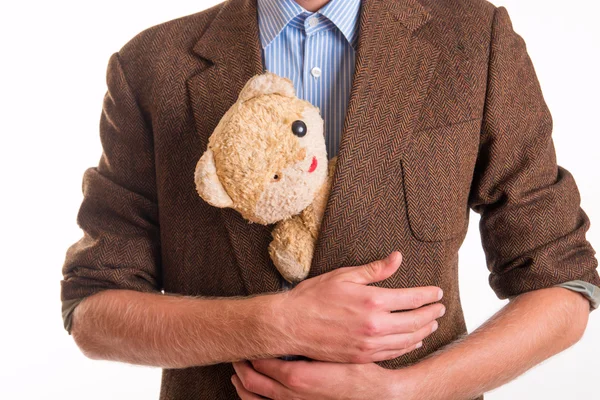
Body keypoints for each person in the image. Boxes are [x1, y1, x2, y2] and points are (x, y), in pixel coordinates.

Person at [60, 0, 600, 398]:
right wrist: (276, 322)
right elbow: (93, 310)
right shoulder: (151, 65)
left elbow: (563, 287)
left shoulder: (475, 38)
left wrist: (405, 393)